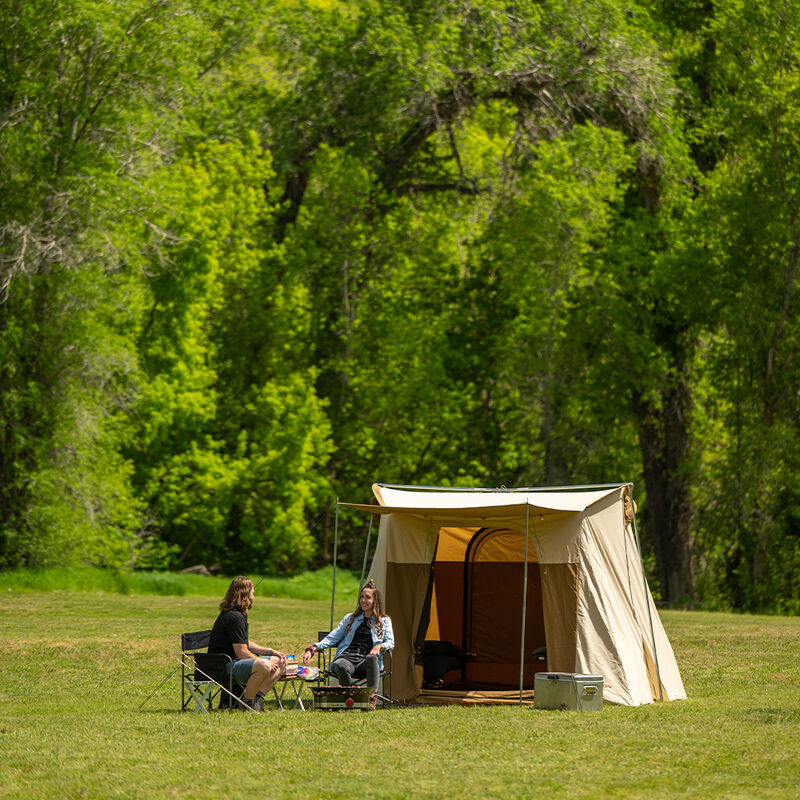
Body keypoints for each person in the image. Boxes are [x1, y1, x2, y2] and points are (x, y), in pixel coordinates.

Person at [302, 579, 393, 711]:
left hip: (366, 661)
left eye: (367, 597)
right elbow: (333, 637)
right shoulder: (350, 618)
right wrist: (313, 648)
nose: (363, 600)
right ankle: (355, 696)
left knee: (372, 658)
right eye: (361, 597)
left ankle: (371, 698)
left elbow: (391, 642)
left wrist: (379, 646)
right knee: (339, 664)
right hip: (348, 658)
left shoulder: (384, 621)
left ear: (375, 601)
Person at [208, 576, 286, 711]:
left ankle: (257, 699)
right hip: (222, 665)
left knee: (279, 661)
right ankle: (246, 703)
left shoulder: (239, 614)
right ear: (245, 594)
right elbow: (241, 652)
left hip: (233, 661)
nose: (254, 596)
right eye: (253, 593)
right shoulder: (233, 617)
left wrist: (269, 651)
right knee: (264, 665)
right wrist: (262, 661)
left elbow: (242, 641)